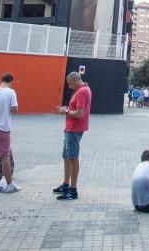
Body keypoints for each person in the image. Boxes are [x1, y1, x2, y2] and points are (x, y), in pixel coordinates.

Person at [55, 71, 91, 200]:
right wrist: (68, 109)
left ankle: (73, 189)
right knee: (67, 156)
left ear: (76, 80)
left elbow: (80, 114)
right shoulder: (84, 89)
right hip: (72, 128)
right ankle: (66, 184)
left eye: (70, 84)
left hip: (74, 129)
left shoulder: (81, 92)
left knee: (72, 157)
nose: (69, 86)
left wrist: (66, 110)